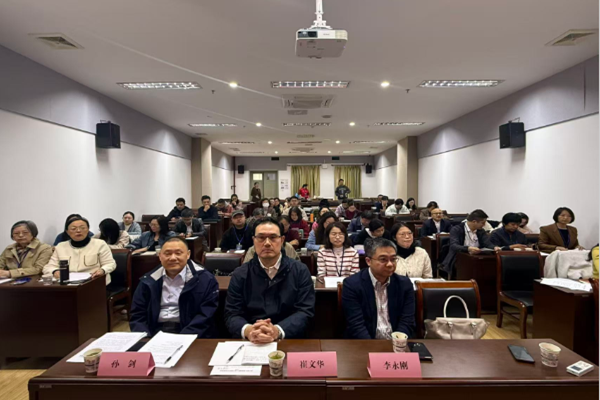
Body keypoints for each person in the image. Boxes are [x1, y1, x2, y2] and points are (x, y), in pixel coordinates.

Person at [224, 218, 315, 341]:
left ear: (282, 240)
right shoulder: (240, 273)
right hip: (252, 341)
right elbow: (232, 313)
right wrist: (249, 330)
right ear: (253, 240)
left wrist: (277, 330)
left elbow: (305, 311)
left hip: (289, 339)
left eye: (273, 237)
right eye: (261, 238)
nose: (267, 243)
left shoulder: (300, 271)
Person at [130, 237, 219, 337]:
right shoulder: (149, 280)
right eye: (167, 254)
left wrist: (183, 338)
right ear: (160, 256)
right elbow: (137, 314)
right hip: (154, 332)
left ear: (188, 254)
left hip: (189, 332)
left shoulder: (205, 279)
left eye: (178, 253)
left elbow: (206, 315)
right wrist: (145, 337)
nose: (172, 258)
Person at [342, 237, 415, 339]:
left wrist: (398, 342)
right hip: (365, 343)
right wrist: (372, 347)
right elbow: (356, 325)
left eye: (393, 259)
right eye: (383, 259)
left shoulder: (404, 284)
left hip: (397, 342)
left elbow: (407, 321)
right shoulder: (352, 284)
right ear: (368, 261)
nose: (390, 264)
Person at [43, 216, 116, 284]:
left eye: (82, 228)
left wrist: (102, 270)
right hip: (68, 284)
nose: (78, 231)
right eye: (73, 229)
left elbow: (110, 263)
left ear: (88, 230)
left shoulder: (100, 244)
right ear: (67, 232)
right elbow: (48, 267)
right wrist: (55, 271)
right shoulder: (60, 246)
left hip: (94, 283)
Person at [440, 210, 501, 276]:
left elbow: (487, 243)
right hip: (458, 257)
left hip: (477, 257)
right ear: (474, 222)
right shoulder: (457, 229)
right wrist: (468, 248)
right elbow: (454, 246)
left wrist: (494, 247)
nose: (484, 225)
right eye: (482, 223)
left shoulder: (481, 231)